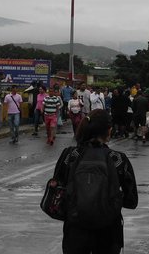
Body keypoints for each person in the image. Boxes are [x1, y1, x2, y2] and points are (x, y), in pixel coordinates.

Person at [51, 109, 138, 254]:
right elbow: (131, 201)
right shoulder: (118, 159)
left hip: (75, 230)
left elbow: (57, 192)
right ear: (109, 131)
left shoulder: (70, 155)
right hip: (109, 232)